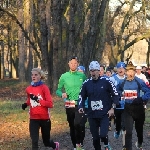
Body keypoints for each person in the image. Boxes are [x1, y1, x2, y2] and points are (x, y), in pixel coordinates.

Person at [78, 61, 119, 150]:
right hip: (92, 114)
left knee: (103, 135)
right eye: (91, 71)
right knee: (95, 138)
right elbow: (81, 96)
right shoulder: (86, 83)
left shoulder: (107, 81)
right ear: (90, 71)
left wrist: (112, 108)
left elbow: (115, 94)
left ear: (99, 71)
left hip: (104, 113)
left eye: (95, 71)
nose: (93, 73)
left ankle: (106, 143)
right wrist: (80, 106)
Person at [21, 68, 59, 150]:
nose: (33, 76)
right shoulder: (28, 89)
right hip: (33, 118)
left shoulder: (44, 88)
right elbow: (29, 99)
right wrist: (26, 104)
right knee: (34, 141)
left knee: (46, 142)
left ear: (40, 76)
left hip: (45, 118)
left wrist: (38, 100)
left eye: (36, 75)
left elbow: (50, 104)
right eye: (32, 75)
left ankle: (55, 145)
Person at [117, 61, 150, 150]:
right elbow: (117, 91)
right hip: (128, 109)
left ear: (134, 72)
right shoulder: (122, 82)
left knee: (139, 131)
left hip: (138, 109)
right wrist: (121, 96)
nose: (130, 73)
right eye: (128, 71)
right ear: (126, 72)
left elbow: (148, 91)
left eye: (132, 71)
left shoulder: (139, 81)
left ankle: (139, 142)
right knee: (129, 132)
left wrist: (141, 98)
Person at [56, 57, 87, 150]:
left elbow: (87, 88)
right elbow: (58, 90)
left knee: (79, 124)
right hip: (69, 104)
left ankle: (79, 143)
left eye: (75, 63)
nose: (73, 65)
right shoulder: (64, 76)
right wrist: (62, 94)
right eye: (71, 63)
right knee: (72, 126)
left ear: (77, 64)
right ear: (68, 64)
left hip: (80, 104)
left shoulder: (82, 76)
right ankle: (75, 146)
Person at [109, 62, 126, 148]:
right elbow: (109, 91)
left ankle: (125, 144)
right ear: (117, 69)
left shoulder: (128, 79)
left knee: (124, 123)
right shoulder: (112, 79)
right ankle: (117, 130)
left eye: (122, 68)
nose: (121, 70)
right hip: (116, 104)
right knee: (118, 121)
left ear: (125, 69)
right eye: (119, 68)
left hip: (126, 105)